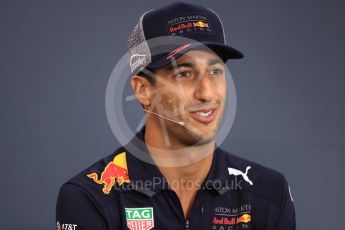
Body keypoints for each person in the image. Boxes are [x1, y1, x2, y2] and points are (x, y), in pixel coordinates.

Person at [56, 2, 296, 230]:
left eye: (215, 71)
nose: (207, 92)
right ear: (143, 90)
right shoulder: (90, 197)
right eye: (184, 73)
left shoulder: (269, 193)